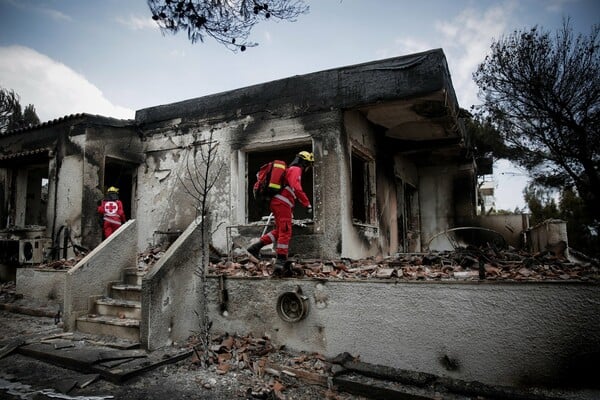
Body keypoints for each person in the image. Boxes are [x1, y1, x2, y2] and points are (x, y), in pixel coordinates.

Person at [247, 151, 314, 275]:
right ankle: (281, 261)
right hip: (283, 203)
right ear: (304, 162)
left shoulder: (290, 170)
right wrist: (307, 204)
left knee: (279, 231)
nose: (308, 168)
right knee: (286, 230)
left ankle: (255, 247)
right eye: (308, 164)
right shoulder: (295, 169)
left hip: (278, 203)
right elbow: (297, 187)